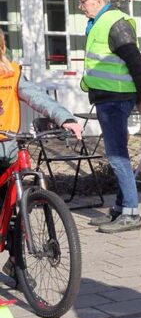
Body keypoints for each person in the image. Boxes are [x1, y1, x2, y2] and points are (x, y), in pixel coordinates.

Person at [0, 30, 83, 283]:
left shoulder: (12, 72)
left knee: (18, 207)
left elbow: (37, 97)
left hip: (8, 149)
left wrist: (64, 117)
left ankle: (16, 261)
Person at [77, 0, 141, 234]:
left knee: (118, 156)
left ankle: (131, 213)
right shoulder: (99, 23)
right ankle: (121, 208)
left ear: (97, 1)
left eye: (83, 1)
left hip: (116, 99)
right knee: (116, 154)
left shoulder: (114, 23)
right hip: (108, 98)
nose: (80, 6)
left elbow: (137, 64)